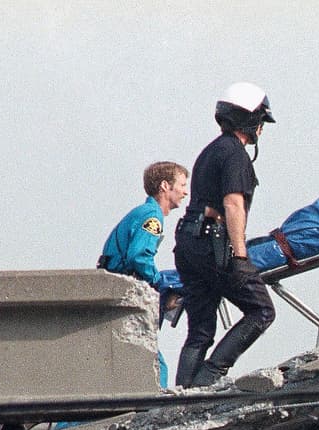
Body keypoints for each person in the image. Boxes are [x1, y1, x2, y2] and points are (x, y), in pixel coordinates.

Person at [173, 82, 277, 387]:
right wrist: (240, 256)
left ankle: (180, 394)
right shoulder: (235, 154)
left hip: (188, 245)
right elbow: (233, 204)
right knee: (261, 310)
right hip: (212, 245)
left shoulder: (209, 152)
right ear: (251, 121)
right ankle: (210, 376)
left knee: (201, 330)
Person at [98, 161, 189, 387]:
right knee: (155, 367)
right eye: (182, 185)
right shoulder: (152, 217)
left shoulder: (144, 213)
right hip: (122, 294)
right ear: (165, 186)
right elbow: (139, 257)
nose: (186, 192)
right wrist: (159, 284)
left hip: (113, 290)